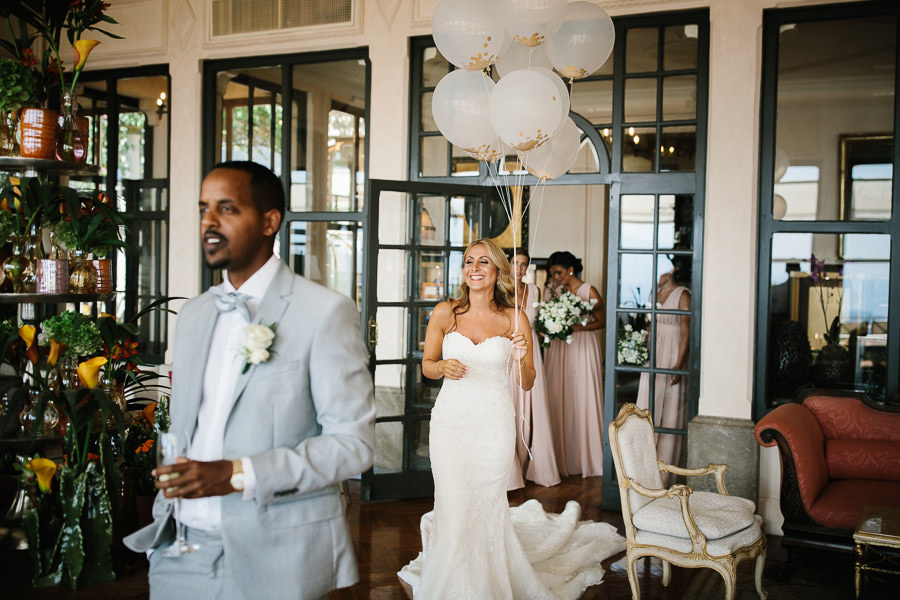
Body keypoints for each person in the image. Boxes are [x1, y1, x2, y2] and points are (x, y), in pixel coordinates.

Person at [124, 161, 376, 600]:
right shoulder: (193, 314)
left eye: (227, 209)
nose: (209, 222)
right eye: (204, 208)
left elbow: (353, 445)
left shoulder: (324, 312)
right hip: (180, 555)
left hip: (277, 557)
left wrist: (239, 474)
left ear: (269, 221)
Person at [398, 239, 624, 599]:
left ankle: (489, 579)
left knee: (488, 502)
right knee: (452, 501)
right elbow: (426, 366)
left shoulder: (514, 317)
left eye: (483, 262)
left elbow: (529, 380)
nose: (474, 268)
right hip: (450, 423)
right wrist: (440, 366)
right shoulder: (445, 312)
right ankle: (450, 578)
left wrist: (521, 355)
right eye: (469, 261)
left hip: (494, 424)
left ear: (497, 270)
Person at [543, 251, 605, 478]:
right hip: (560, 347)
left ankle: (585, 457)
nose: (556, 278)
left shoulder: (589, 290)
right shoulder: (556, 291)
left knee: (582, 394)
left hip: (582, 346)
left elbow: (602, 320)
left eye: (558, 272)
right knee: (559, 396)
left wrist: (578, 328)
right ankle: (559, 458)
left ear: (570, 269)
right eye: (552, 274)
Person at [507, 248, 560, 489]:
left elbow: (537, 323)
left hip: (533, 350)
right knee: (509, 403)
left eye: (524, 264)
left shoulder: (535, 290)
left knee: (533, 402)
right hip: (508, 350)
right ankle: (510, 466)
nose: (519, 268)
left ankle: (536, 465)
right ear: (507, 264)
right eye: (515, 263)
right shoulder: (498, 290)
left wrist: (553, 327)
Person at [637, 268, 691, 484]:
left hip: (672, 352)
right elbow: (650, 326)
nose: (657, 275)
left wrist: (678, 364)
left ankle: (666, 469)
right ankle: (643, 468)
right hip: (654, 353)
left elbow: (687, 331)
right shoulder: (654, 295)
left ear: (671, 272)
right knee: (649, 404)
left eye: (661, 271)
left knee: (670, 407)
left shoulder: (683, 294)